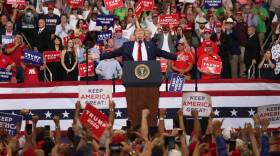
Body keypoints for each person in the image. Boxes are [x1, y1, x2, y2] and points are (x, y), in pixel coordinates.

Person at [99, 28, 180, 61]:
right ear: (134, 35)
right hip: (131, 76)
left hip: (148, 75)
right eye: (137, 33)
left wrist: (176, 57)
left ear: (144, 36)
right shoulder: (127, 46)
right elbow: (114, 53)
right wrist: (100, 57)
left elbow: (163, 53)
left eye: (141, 33)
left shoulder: (151, 45)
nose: (139, 35)